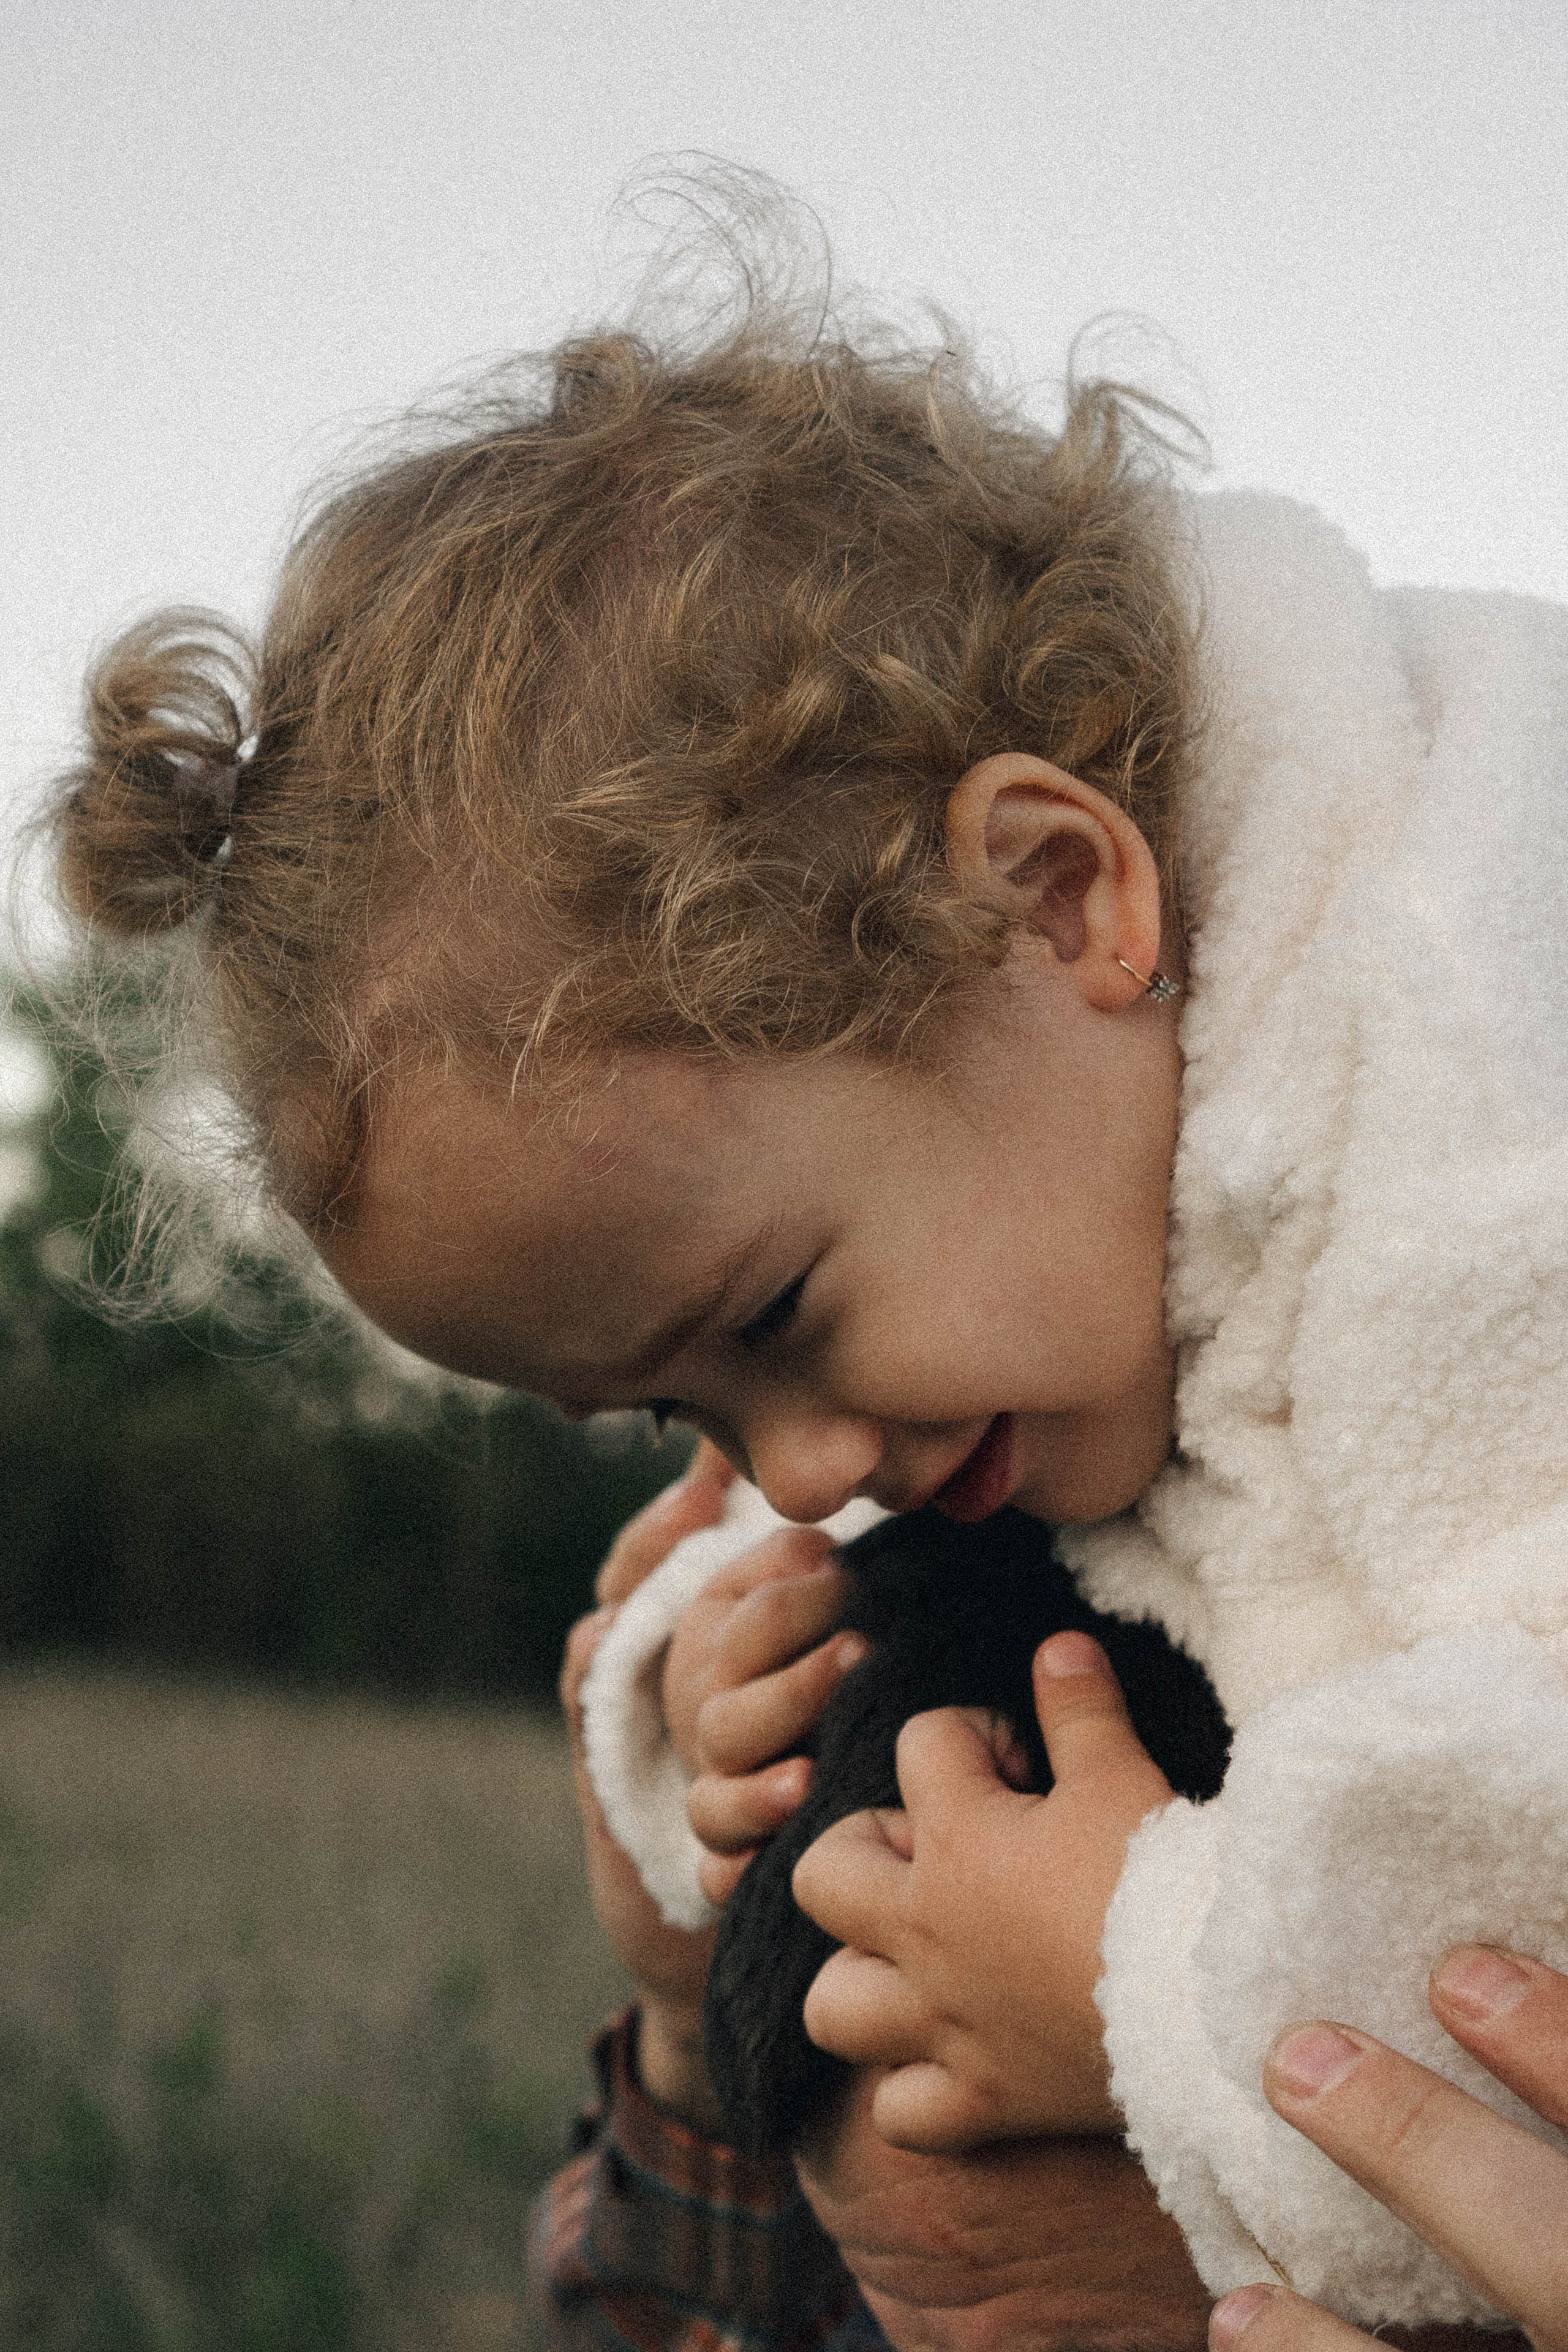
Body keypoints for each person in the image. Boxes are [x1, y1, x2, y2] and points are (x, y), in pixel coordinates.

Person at [43, 199, 1568, 2326]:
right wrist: (688, 1737)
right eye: (678, 1412)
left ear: (1054, 897)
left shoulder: (1485, 1106)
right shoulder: (1054, 1179)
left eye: (771, 1323)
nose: (783, 1469)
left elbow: (1521, 1877)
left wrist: (1124, 1969)